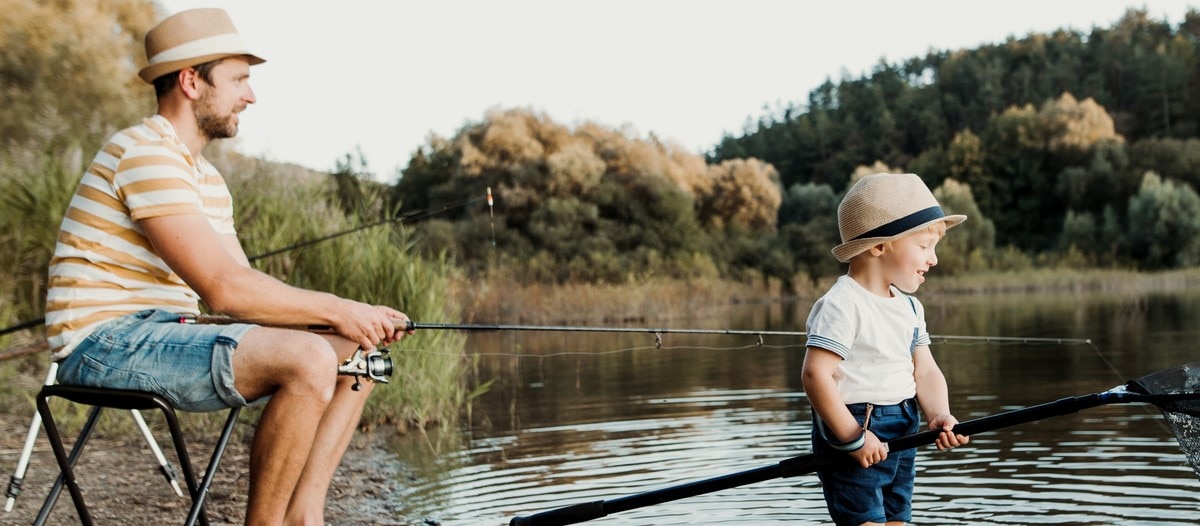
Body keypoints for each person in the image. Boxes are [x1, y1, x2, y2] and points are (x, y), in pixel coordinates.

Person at [44, 8, 411, 524]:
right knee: (308, 359)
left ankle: (304, 516)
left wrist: (351, 321)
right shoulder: (145, 151)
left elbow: (249, 298)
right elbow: (225, 290)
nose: (251, 95)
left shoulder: (208, 180)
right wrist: (337, 307)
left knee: (359, 356)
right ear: (192, 81)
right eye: (239, 79)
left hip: (167, 331)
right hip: (103, 344)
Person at [801, 172, 971, 526]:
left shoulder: (909, 307)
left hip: (904, 425)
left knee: (898, 519)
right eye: (924, 246)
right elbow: (815, 374)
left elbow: (924, 371)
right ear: (879, 246)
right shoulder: (842, 304)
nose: (934, 259)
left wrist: (939, 414)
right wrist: (852, 437)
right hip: (856, 426)